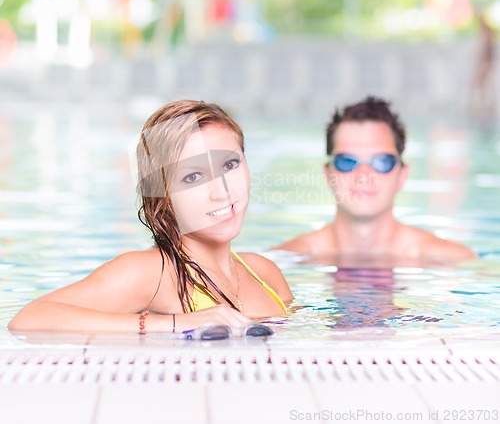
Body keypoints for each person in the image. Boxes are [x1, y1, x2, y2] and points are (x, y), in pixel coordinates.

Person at [9, 100, 292, 334]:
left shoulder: (265, 272)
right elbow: (29, 319)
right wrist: (173, 323)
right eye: (193, 176)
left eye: (230, 164)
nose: (222, 191)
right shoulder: (154, 272)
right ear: (163, 195)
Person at [274, 96, 476, 265]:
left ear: (402, 175)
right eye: (347, 161)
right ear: (328, 174)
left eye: (381, 162)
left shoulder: (454, 261)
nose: (363, 175)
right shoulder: (284, 260)